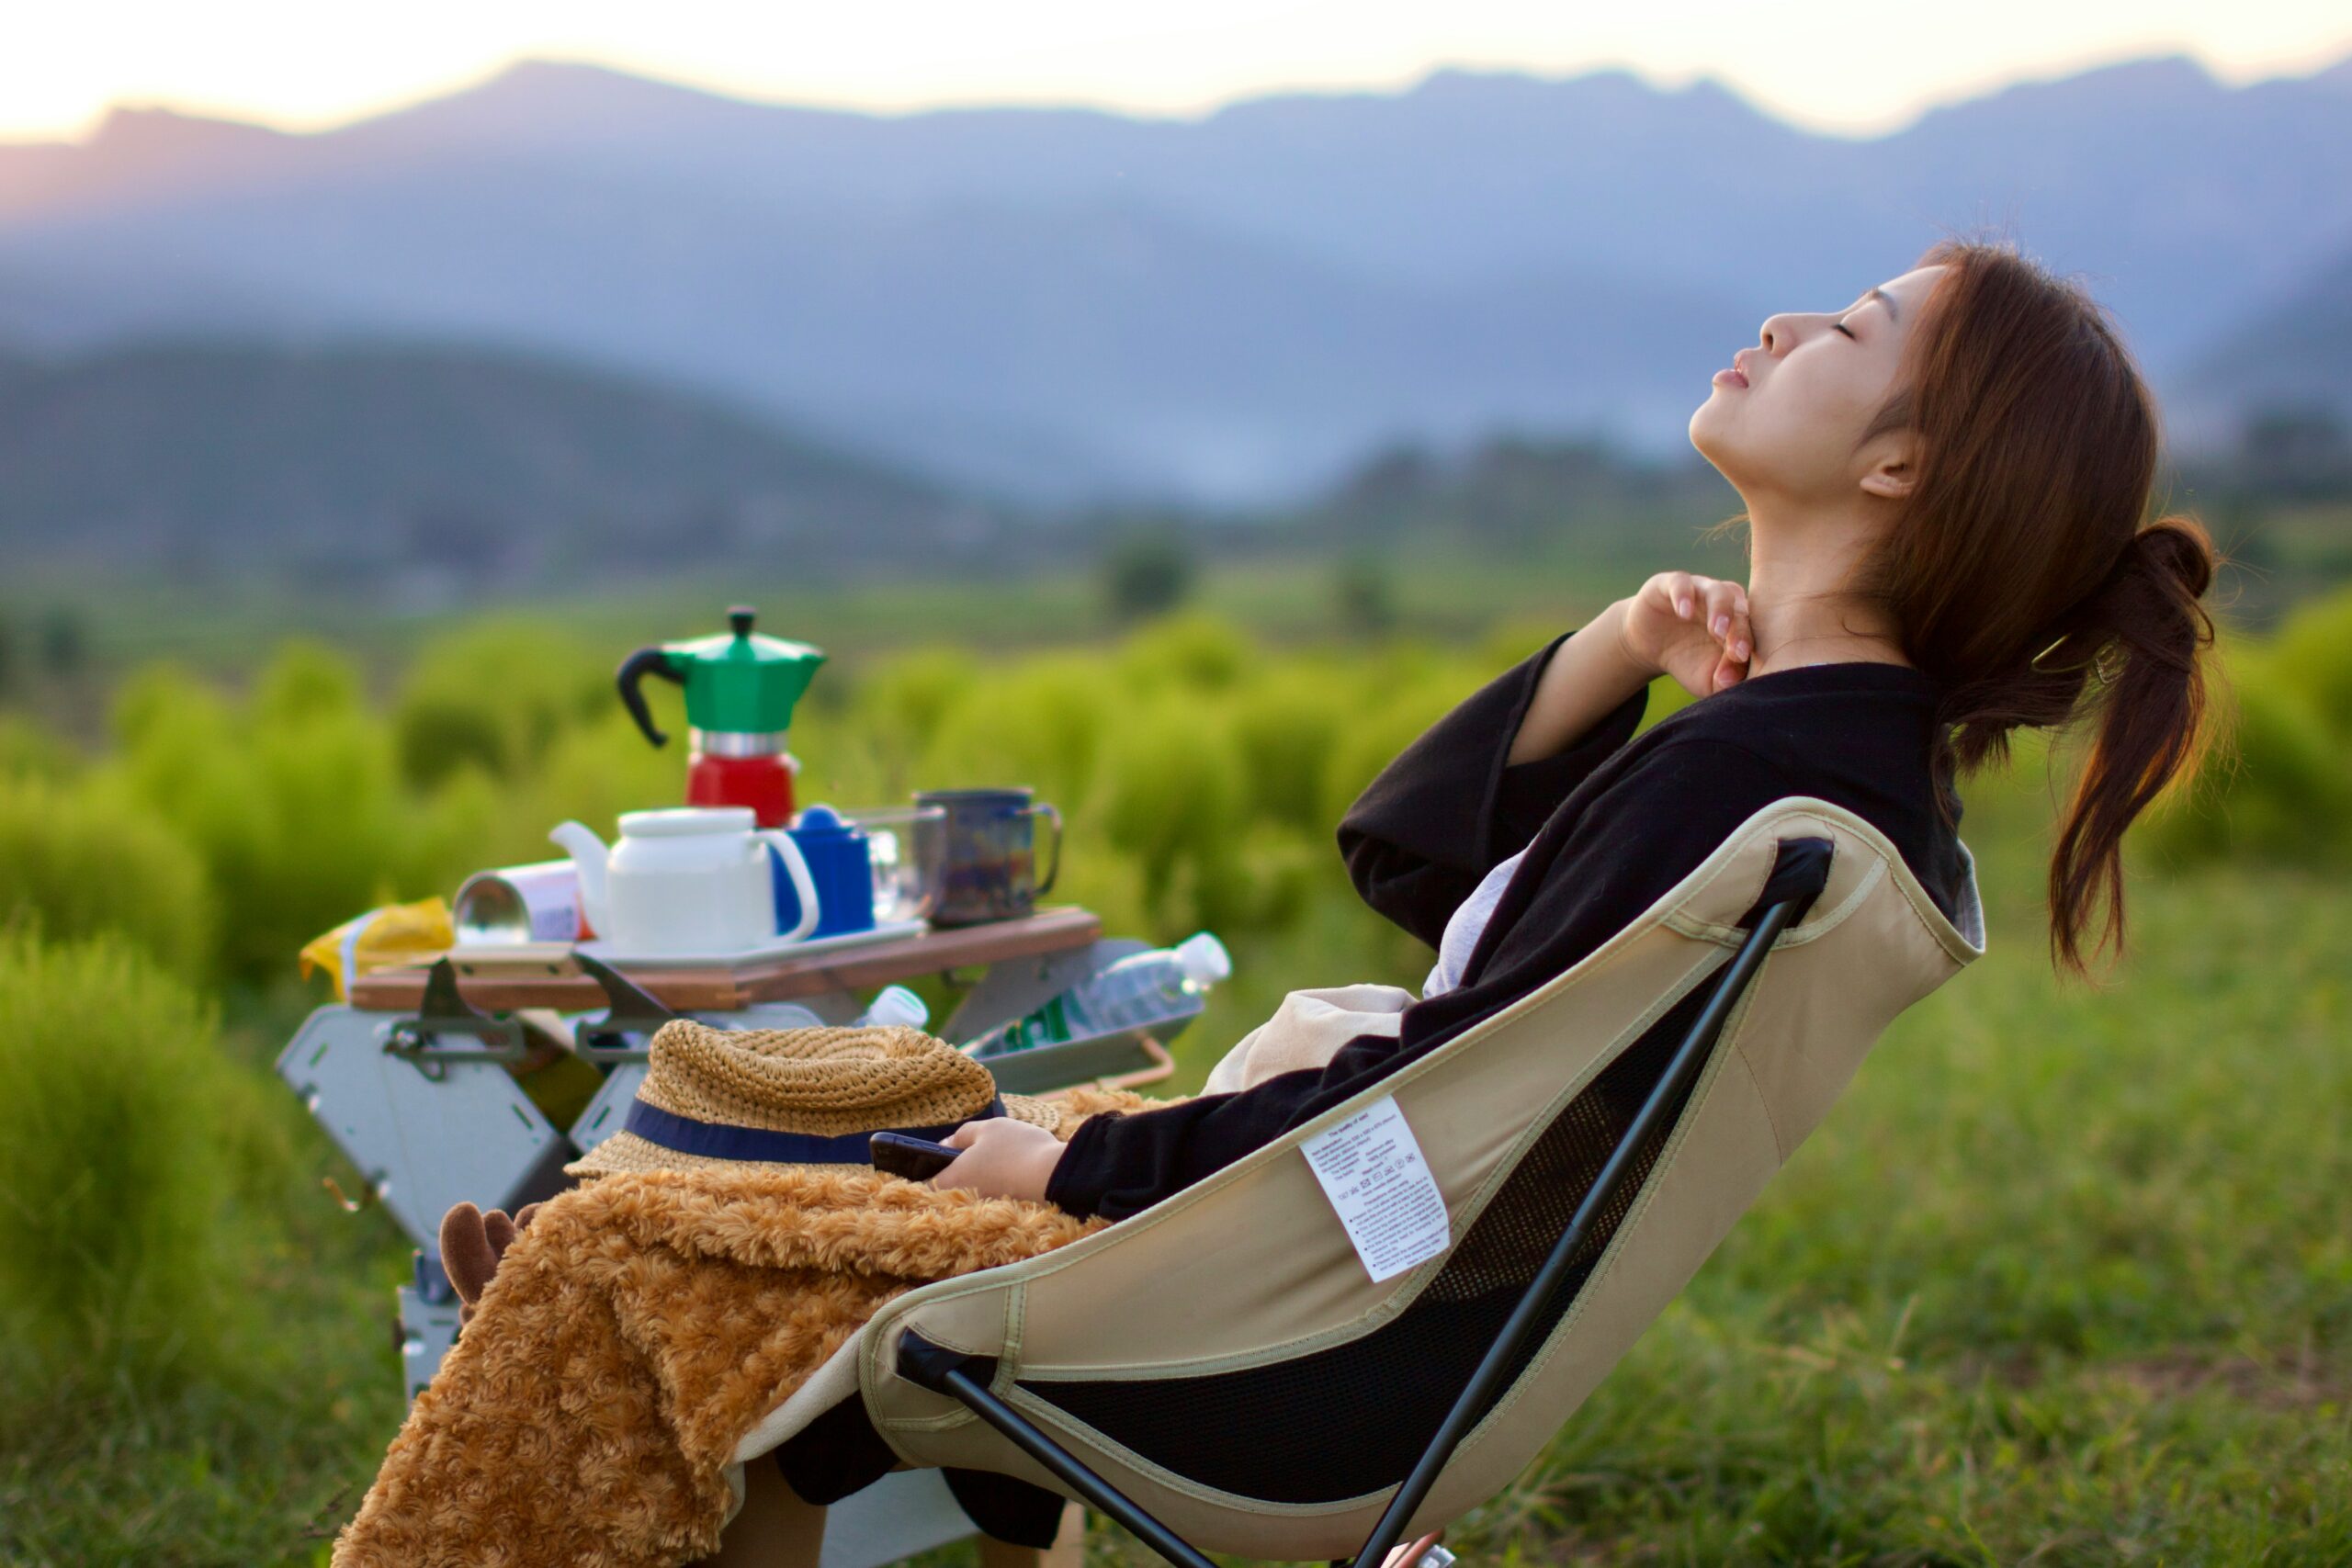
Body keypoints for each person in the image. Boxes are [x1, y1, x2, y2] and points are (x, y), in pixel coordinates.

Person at [933, 236, 2221, 1224]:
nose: (1783, 323)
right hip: (1376, 1306)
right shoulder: (1847, 764)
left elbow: (1425, 1103)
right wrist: (1624, 645)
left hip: (1267, 1315)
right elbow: (1424, 869)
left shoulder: (1751, 779)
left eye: (1846, 328)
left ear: (1901, 467)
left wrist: (1072, 1168)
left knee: (815, 1162)